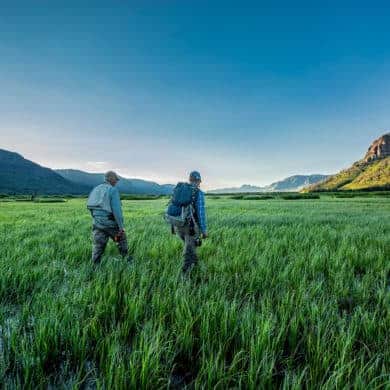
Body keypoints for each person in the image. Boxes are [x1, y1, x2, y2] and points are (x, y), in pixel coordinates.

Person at [166, 171, 207, 273]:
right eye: (199, 181)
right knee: (189, 251)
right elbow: (201, 214)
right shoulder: (198, 193)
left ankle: (195, 266)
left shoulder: (179, 190)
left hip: (178, 225)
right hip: (190, 227)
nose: (199, 183)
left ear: (190, 180)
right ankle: (185, 277)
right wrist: (204, 230)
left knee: (190, 246)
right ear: (198, 181)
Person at [86, 171, 131, 265]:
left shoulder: (96, 189)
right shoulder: (112, 190)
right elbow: (117, 211)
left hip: (97, 222)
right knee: (122, 239)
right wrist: (121, 227)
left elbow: (90, 206)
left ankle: (95, 266)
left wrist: (96, 219)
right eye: (116, 179)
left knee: (98, 246)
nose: (117, 181)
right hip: (110, 222)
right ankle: (127, 261)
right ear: (111, 179)